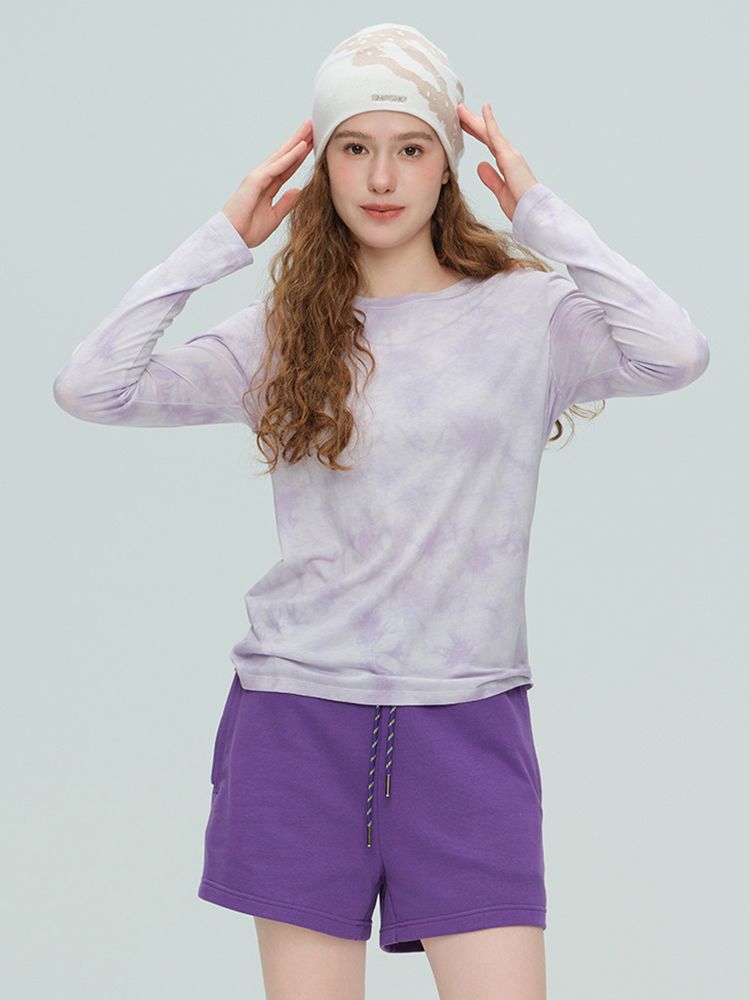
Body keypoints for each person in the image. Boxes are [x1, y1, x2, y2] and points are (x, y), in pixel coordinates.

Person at [52, 21, 710, 1000]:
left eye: (411, 147)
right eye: (355, 147)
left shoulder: (526, 316)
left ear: (450, 164)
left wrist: (544, 217)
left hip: (467, 724)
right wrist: (220, 242)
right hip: (297, 721)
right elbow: (91, 387)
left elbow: (676, 352)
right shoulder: (282, 333)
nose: (383, 177)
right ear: (323, 165)